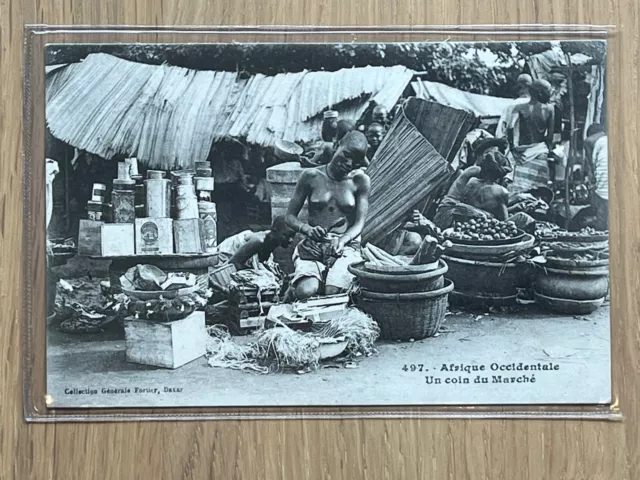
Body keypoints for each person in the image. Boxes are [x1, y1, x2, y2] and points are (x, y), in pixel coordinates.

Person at [285, 131, 371, 300]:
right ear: (337, 145)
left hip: (345, 246)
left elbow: (359, 223)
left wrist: (343, 240)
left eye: (356, 161)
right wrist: (307, 230)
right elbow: (289, 217)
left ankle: (330, 281)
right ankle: (295, 286)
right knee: (306, 291)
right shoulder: (311, 176)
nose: (349, 163)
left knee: (333, 293)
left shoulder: (360, 181)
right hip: (313, 246)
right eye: (346, 155)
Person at [507, 79, 556, 193]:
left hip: (522, 153)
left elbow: (510, 127)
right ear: (540, 93)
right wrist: (548, 150)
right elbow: (550, 136)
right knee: (538, 190)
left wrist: (513, 149)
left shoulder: (519, 108)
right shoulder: (550, 109)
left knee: (520, 189)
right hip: (540, 152)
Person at [217, 215, 296, 271]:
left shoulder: (273, 242)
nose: (291, 240)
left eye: (293, 236)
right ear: (275, 230)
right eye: (287, 235)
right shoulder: (258, 241)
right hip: (220, 264)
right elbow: (233, 264)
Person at [584, 123, 608, 230]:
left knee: (602, 217)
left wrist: (592, 176)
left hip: (604, 185)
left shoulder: (592, 140)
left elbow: (587, 141)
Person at [495, 74, 532, 139]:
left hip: (515, 145)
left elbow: (501, 130)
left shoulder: (511, 105)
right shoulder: (538, 105)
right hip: (537, 146)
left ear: (518, 88)